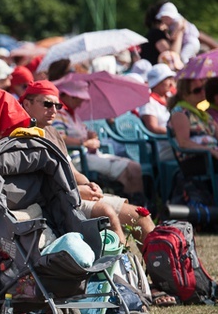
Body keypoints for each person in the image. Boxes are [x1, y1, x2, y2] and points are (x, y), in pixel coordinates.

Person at [21, 80, 154, 245]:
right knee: (108, 213)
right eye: (48, 104)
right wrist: (76, 191)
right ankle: (122, 265)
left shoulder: (52, 132)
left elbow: (71, 171)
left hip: (73, 195)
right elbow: (36, 185)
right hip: (56, 204)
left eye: (57, 106)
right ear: (27, 104)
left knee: (142, 217)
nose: (54, 110)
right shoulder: (20, 137)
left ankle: (159, 268)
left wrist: (89, 183)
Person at [52, 82, 145, 202]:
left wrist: (89, 136)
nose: (81, 103)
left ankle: (135, 205)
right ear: (70, 96)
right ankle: (133, 206)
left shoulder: (73, 115)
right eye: (79, 98)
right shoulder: (58, 114)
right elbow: (59, 139)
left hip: (88, 155)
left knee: (134, 168)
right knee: (131, 168)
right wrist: (84, 143)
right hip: (77, 158)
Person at [168, 75, 218, 176]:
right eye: (197, 90)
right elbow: (184, 143)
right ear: (185, 94)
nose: (202, 92)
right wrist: (211, 151)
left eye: (203, 88)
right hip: (196, 159)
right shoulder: (180, 113)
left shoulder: (203, 114)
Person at [139, 64, 176, 161]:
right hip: (165, 144)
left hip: (176, 139)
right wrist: (175, 131)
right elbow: (153, 128)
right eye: (168, 79)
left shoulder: (171, 97)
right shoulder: (149, 102)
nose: (171, 83)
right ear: (158, 82)